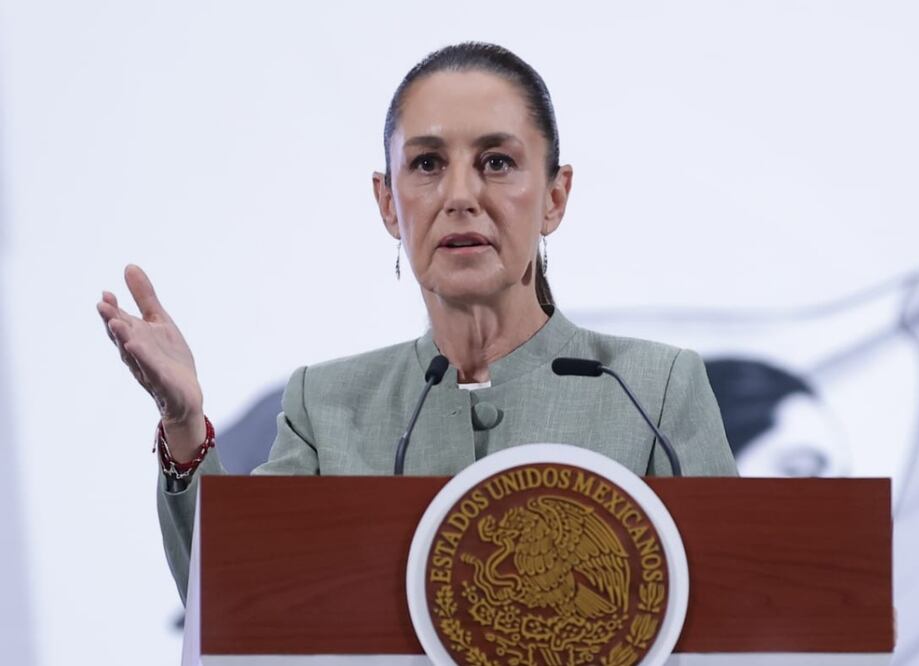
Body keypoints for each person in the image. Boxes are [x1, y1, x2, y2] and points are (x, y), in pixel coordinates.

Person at [96, 42, 739, 603]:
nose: (460, 196)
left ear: (554, 196)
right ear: (386, 201)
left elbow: (736, 608)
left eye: (497, 162)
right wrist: (183, 427)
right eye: (427, 163)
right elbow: (236, 598)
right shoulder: (326, 406)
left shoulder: (652, 389)